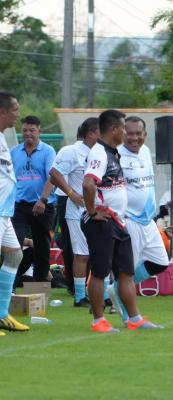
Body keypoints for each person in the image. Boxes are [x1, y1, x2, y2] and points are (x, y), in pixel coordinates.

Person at [81, 109, 158, 332]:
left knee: (126, 272)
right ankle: (98, 321)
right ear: (114, 129)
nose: (126, 132)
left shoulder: (113, 152)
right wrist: (92, 212)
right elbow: (88, 183)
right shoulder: (99, 153)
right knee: (100, 272)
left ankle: (134, 318)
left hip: (118, 220)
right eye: (123, 128)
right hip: (102, 221)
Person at [110, 116, 169, 323]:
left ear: (145, 134)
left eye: (138, 133)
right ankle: (130, 317)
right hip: (129, 220)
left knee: (161, 262)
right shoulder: (116, 155)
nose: (134, 138)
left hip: (147, 220)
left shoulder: (145, 151)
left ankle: (116, 289)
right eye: (130, 133)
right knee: (126, 271)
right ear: (122, 133)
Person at [49, 118, 100, 307]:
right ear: (91, 133)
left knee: (100, 253)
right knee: (81, 254)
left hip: (100, 210)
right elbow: (54, 174)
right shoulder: (71, 151)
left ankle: (102, 294)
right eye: (101, 131)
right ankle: (80, 297)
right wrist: (71, 193)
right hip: (78, 211)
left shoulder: (102, 153)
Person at [11, 115, 56, 282]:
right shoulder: (14, 151)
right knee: (14, 244)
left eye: (32, 130)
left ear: (39, 131)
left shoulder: (48, 151)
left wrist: (43, 200)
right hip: (19, 205)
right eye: (24, 130)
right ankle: (10, 285)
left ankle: (40, 285)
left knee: (42, 246)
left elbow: (52, 176)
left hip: (43, 205)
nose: (28, 133)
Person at [0, 91, 29, 335]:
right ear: (2, 112)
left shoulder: (2, 137)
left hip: (5, 212)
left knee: (15, 256)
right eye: (15, 110)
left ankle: (1, 314)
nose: (18, 114)